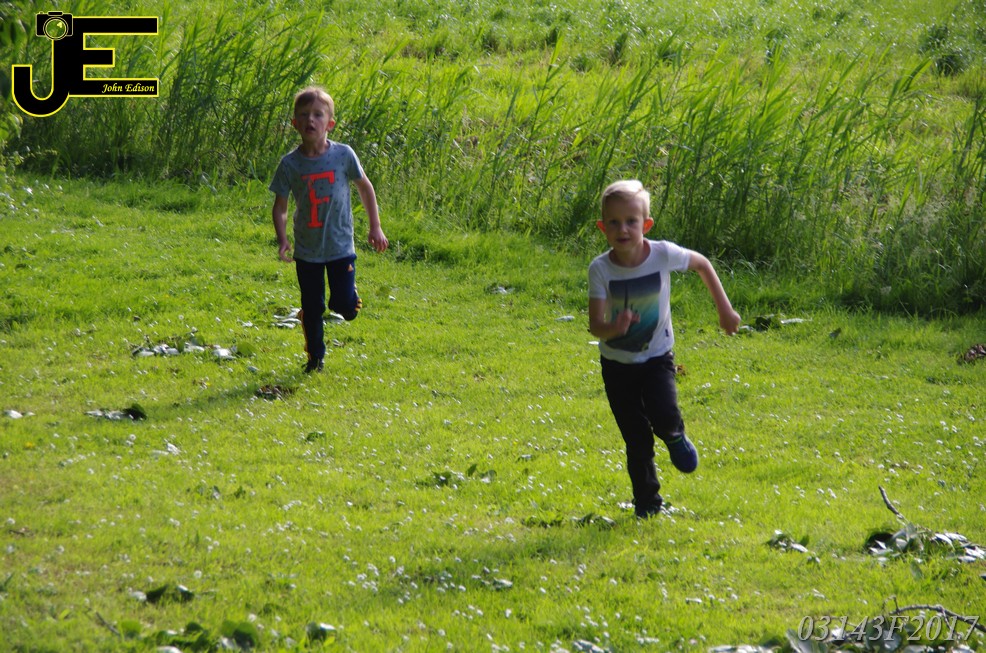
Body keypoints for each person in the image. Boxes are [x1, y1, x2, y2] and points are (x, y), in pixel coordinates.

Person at [588, 179, 741, 518]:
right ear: (602, 228)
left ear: (646, 225)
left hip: (657, 358)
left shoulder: (661, 254)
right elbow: (596, 324)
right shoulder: (600, 269)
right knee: (636, 439)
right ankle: (647, 504)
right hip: (617, 365)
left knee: (664, 414)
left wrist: (725, 310)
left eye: (631, 221)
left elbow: (702, 264)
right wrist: (615, 327)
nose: (622, 229)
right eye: (614, 222)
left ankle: (674, 437)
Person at [270, 86, 388, 373]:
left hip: (340, 246)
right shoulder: (289, 164)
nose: (310, 120)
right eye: (303, 115)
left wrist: (375, 226)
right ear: (294, 123)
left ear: (330, 124)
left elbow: (365, 188)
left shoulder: (343, 155)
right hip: (307, 250)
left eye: (317, 115)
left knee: (344, 307)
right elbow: (280, 206)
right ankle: (315, 359)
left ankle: (349, 298)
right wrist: (283, 238)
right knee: (312, 307)